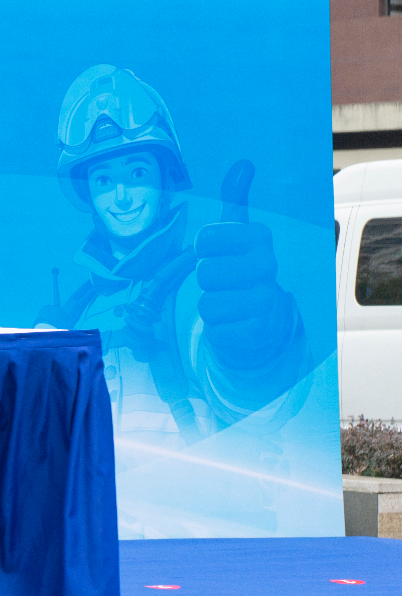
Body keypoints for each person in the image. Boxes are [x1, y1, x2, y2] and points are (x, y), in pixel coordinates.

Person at [35, 64, 312, 531]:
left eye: (137, 172)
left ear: (165, 180)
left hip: (197, 552)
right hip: (98, 548)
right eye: (103, 180)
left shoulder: (198, 287)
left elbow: (259, 407)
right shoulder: (78, 313)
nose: (122, 196)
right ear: (89, 195)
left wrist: (259, 351)